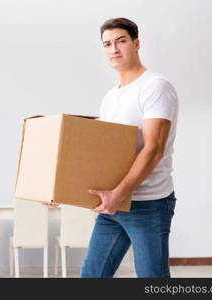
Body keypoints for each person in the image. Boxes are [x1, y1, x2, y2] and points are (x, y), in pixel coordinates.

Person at [79, 17, 179, 278]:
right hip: (113, 205)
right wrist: (61, 188)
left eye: (121, 41)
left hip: (148, 204)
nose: (114, 49)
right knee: (92, 276)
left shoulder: (155, 86)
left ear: (136, 44)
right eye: (107, 44)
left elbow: (153, 149)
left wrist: (119, 192)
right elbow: (103, 154)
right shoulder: (110, 97)